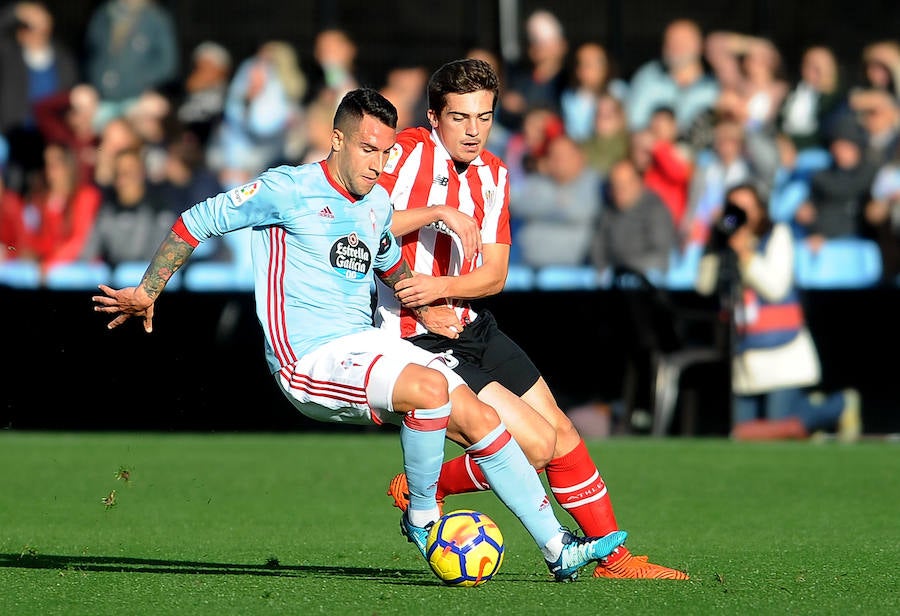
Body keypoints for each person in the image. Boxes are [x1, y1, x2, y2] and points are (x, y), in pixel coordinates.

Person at [91, 87, 628, 583]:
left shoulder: (375, 207)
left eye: (386, 153)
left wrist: (431, 304)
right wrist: (148, 288)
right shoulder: (288, 188)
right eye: (368, 150)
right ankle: (422, 519)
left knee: (480, 418)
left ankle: (559, 550)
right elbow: (197, 219)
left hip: (367, 343)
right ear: (337, 139)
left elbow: (391, 263)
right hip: (307, 357)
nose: (378, 164)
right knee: (431, 390)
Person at [374, 59, 687, 580]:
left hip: (471, 324)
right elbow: (362, 223)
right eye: (460, 118)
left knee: (562, 435)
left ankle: (615, 560)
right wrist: (437, 214)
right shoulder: (403, 154)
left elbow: (495, 275)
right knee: (535, 445)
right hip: (416, 339)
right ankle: (429, 487)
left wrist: (444, 287)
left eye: (485, 117)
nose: (474, 130)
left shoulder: (494, 174)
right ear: (433, 116)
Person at [695, 183, 861, 441]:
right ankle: (808, 419)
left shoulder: (777, 234)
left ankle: (837, 405)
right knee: (744, 434)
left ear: (760, 210)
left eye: (747, 208)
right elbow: (704, 286)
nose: (740, 215)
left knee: (777, 431)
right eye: (734, 209)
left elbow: (775, 288)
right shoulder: (724, 244)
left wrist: (745, 254)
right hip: (747, 356)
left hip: (782, 353)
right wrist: (713, 244)